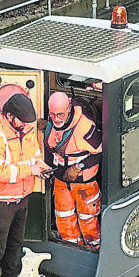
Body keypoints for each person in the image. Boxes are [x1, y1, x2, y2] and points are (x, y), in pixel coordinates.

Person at [0, 92, 50, 277]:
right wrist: (31, 170)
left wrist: (40, 166)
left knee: (15, 243)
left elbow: (35, 155)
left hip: (21, 197)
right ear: (9, 116)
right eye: (23, 121)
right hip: (0, 202)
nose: (27, 126)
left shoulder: (26, 130)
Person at [45, 92, 103, 247]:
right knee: (64, 218)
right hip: (60, 181)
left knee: (88, 220)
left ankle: (93, 249)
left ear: (69, 108)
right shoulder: (50, 124)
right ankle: (71, 249)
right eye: (52, 114)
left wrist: (78, 167)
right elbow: (49, 149)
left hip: (84, 183)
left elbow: (100, 152)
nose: (56, 119)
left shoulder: (84, 126)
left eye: (60, 114)